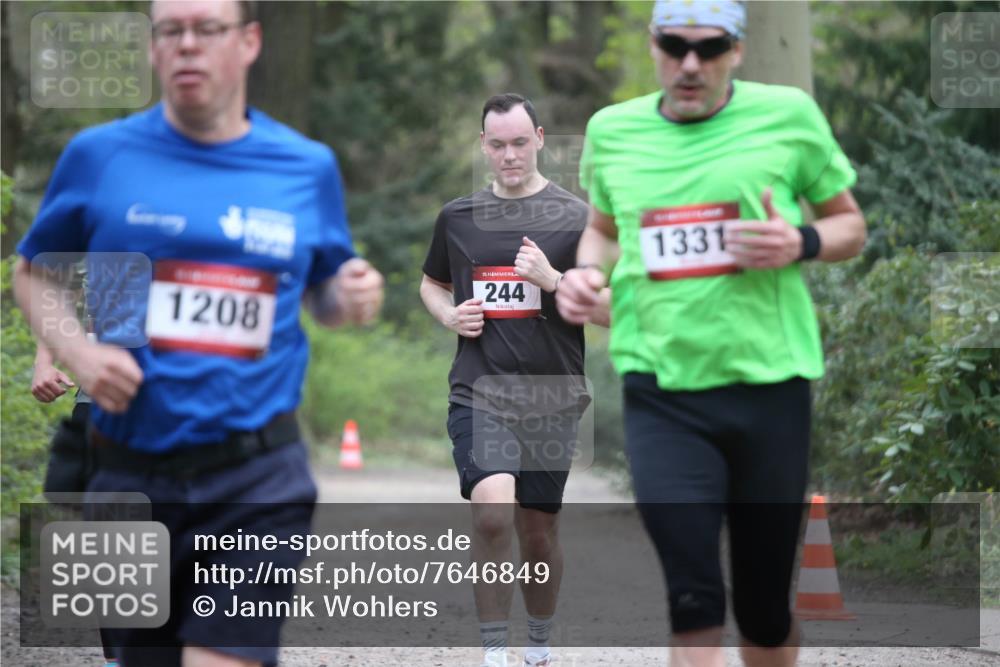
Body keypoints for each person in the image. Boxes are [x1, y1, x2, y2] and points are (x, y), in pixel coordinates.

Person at [13, 1, 384, 666]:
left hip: (257, 478)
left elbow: (325, 291)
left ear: (248, 42)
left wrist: (350, 296)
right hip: (126, 472)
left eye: (207, 29)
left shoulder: (304, 166)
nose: (188, 45)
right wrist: (77, 349)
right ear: (153, 47)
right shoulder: (99, 157)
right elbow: (34, 274)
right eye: (171, 30)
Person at [556, 2, 867, 666]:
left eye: (710, 47)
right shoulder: (613, 130)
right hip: (661, 389)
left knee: (761, 609)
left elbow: (851, 227)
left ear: (738, 50)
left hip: (769, 386)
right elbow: (604, 230)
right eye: (674, 45)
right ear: (653, 46)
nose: (690, 63)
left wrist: (801, 240)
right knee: (694, 597)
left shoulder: (786, 116)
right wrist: (585, 273)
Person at [420, 93, 589, 667]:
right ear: (483, 146)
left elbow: (606, 301)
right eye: (498, 145)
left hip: (552, 394)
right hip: (480, 388)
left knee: (537, 532)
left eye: (520, 143)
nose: (509, 155)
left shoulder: (575, 216)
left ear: (540, 139)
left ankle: (537, 649)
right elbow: (432, 284)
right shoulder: (458, 217)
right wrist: (449, 315)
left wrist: (552, 277)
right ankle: (495, 653)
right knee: (492, 513)